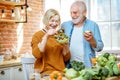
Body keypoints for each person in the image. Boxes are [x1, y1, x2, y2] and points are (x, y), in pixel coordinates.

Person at [61, 1, 104, 68]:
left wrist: (92, 40)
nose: (72, 15)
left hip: (87, 67)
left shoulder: (93, 25)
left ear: (84, 12)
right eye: (71, 13)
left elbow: (100, 48)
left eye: (75, 12)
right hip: (69, 67)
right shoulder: (65, 25)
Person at [31, 9, 70, 76]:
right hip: (46, 72)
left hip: (61, 72)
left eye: (57, 21)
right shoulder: (37, 35)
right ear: (46, 20)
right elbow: (37, 55)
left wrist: (66, 46)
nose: (54, 24)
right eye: (52, 21)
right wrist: (46, 36)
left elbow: (66, 58)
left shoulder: (59, 36)